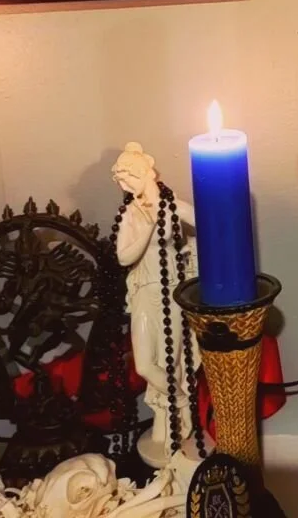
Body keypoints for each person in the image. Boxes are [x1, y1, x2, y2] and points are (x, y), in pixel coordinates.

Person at [111, 142, 199, 467]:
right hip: (143, 294)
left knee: (169, 361)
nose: (125, 185)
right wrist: (147, 227)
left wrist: (190, 251)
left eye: (129, 177)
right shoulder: (131, 214)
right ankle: (182, 403)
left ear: (147, 173)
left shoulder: (172, 207)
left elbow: (211, 225)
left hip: (171, 292)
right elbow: (124, 256)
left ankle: (169, 426)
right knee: (145, 366)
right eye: (120, 180)